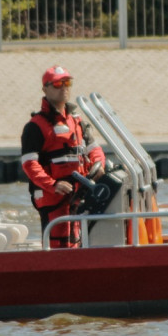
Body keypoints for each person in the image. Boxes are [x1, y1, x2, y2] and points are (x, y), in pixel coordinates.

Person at [20, 65, 106, 248]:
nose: (64, 87)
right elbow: (29, 165)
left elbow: (95, 149)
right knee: (59, 244)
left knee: (79, 241)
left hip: (79, 195)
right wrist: (53, 185)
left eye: (68, 82)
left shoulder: (76, 121)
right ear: (45, 89)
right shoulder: (35, 127)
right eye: (58, 84)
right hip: (54, 198)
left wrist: (98, 167)